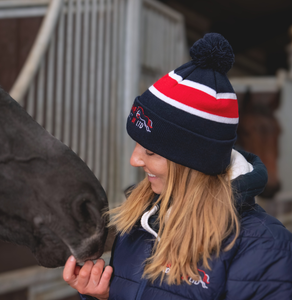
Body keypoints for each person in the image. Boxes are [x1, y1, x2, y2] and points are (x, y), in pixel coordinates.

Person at [63, 33, 292, 299]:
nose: (134, 160)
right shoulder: (139, 222)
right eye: (137, 145)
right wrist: (101, 297)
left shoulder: (265, 246)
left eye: (150, 150)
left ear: (194, 161)